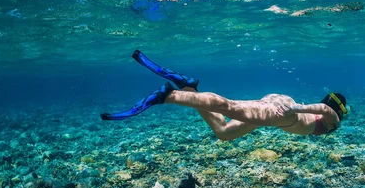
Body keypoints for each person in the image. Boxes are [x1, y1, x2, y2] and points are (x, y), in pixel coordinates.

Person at [100, 51, 349, 141]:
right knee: (228, 106)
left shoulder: (320, 117)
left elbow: (323, 108)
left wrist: (296, 109)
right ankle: (168, 96)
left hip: (281, 111)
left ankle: (188, 89)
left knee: (224, 133)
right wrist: (298, 109)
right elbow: (327, 111)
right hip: (284, 115)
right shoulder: (331, 123)